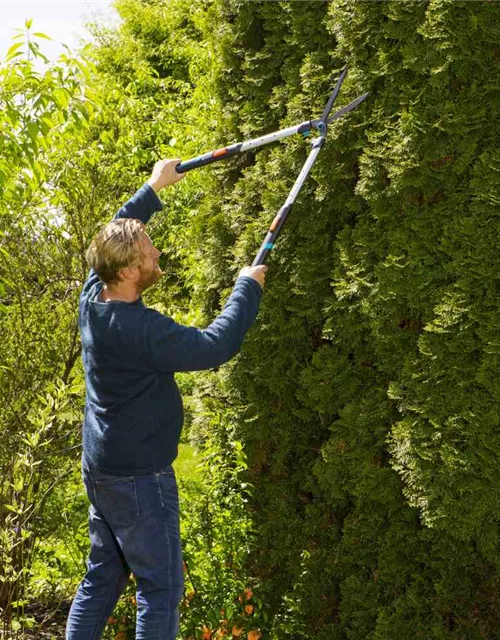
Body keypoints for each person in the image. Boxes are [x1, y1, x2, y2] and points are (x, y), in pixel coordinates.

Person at [66, 159, 267, 639]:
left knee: (103, 576)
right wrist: (247, 288)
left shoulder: (94, 295)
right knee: (161, 589)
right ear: (131, 269)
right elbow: (216, 344)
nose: (157, 254)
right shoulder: (142, 330)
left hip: (103, 467)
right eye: (149, 252)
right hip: (138, 478)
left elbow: (111, 232)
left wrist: (154, 188)